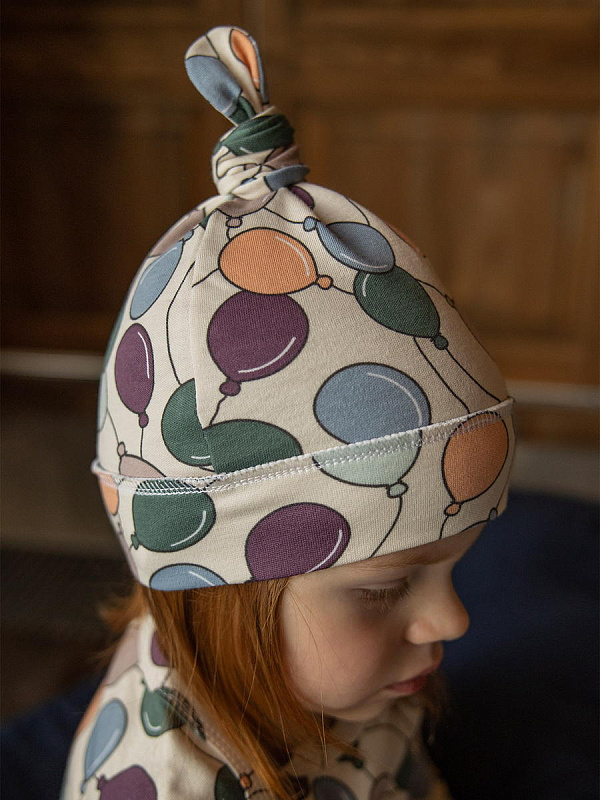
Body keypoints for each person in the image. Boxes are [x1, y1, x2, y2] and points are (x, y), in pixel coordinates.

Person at [60, 25, 516, 800]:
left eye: (454, 565)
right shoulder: (161, 786)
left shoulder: (361, 680)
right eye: (383, 589)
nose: (453, 621)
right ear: (220, 594)